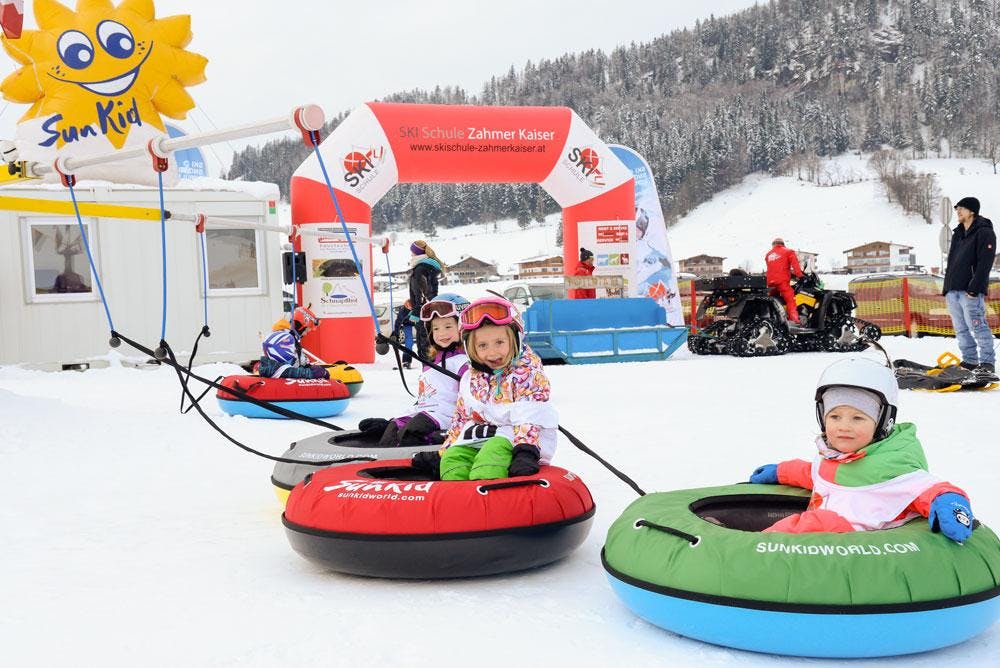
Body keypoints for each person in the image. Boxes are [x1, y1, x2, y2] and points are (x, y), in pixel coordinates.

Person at [747, 358, 975, 543]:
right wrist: (781, 471)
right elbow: (814, 473)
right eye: (834, 416)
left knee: (805, 527)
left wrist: (951, 504)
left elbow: (929, 489)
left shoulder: (890, 465)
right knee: (809, 523)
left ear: (882, 423)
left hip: (855, 542)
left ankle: (753, 551)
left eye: (858, 418)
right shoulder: (835, 456)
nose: (844, 426)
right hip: (824, 535)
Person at [435, 296, 558, 481]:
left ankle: (489, 490)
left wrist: (525, 452)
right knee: (453, 460)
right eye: (482, 345)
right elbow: (461, 418)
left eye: (499, 342)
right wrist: (445, 451)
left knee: (490, 458)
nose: (492, 352)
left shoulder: (527, 374)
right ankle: (457, 493)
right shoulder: (471, 379)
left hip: (517, 438)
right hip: (479, 436)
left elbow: (529, 417)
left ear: (515, 340)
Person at [360, 294, 471, 450]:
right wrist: (392, 423)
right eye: (436, 328)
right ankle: (385, 458)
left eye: (448, 327)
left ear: (463, 328)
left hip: (448, 417)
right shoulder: (431, 364)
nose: (441, 333)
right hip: (424, 412)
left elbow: (472, 401)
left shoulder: (464, 363)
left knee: (413, 431)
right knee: (393, 428)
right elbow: (426, 398)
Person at [943, 196, 996, 380]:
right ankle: (970, 361)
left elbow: (985, 263)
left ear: (972, 211)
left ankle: (987, 363)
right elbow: (952, 262)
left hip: (970, 291)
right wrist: (947, 288)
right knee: (961, 329)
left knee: (978, 326)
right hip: (953, 290)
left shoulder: (984, 232)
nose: (958, 211)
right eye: (957, 209)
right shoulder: (958, 233)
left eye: (962, 208)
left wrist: (974, 288)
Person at [258, 306, 330, 380]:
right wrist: (310, 373)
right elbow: (279, 370)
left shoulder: (290, 338)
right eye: (306, 331)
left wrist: (310, 367)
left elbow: (299, 362)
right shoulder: (284, 339)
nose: (305, 334)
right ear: (300, 327)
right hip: (279, 381)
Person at [408, 240, 444, 357]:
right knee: (430, 345)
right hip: (430, 310)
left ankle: (428, 367)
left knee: (425, 348)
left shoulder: (420, 269)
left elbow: (423, 294)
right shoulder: (429, 267)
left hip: (423, 313)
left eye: (412, 252)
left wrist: (416, 312)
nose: (411, 255)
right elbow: (431, 292)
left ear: (417, 253)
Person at [765, 237, 804, 324]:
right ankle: (794, 321)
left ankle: (772, 318)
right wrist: (800, 276)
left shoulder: (768, 255)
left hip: (770, 283)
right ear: (783, 244)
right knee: (790, 299)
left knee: (772, 300)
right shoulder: (788, 251)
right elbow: (795, 265)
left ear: (773, 245)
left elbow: (774, 267)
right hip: (782, 282)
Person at [392, 299, 415, 369]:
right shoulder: (402, 311)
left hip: (419, 322)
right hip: (407, 324)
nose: (410, 308)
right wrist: (396, 333)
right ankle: (406, 361)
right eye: (408, 306)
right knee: (409, 341)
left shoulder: (417, 308)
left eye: (411, 307)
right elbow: (398, 322)